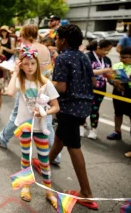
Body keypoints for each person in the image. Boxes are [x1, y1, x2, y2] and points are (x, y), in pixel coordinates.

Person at [0, 24, 61, 165]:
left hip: (28, 86)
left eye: (21, 35)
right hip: (43, 88)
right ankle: (54, 155)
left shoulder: (28, 50)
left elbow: (24, 72)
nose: (20, 38)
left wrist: (16, 70)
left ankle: (3, 138)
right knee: (45, 119)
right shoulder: (45, 48)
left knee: (19, 115)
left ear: (26, 36)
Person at [47, 24, 99, 210]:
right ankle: (46, 163)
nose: (55, 41)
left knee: (74, 146)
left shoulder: (63, 58)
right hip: (84, 106)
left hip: (69, 108)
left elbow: (60, 88)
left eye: (57, 38)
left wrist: (45, 82)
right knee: (60, 137)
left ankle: (86, 192)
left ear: (64, 40)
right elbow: (92, 81)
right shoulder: (83, 57)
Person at [6, 46, 59, 208]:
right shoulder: (20, 80)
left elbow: (56, 107)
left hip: (40, 128)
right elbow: (9, 92)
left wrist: (45, 113)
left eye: (32, 64)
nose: (29, 67)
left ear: (37, 65)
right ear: (21, 65)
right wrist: (15, 72)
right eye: (26, 64)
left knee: (44, 160)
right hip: (24, 127)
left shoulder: (45, 82)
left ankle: (48, 191)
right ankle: (25, 187)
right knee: (25, 158)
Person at [84, 39, 113, 139]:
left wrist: (115, 80)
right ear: (98, 47)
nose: (107, 53)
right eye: (105, 50)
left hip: (101, 89)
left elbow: (108, 76)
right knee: (83, 107)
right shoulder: (87, 56)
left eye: (109, 51)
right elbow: (87, 71)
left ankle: (93, 129)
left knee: (95, 109)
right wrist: (103, 70)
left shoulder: (107, 60)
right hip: (86, 88)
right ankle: (81, 126)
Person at [107, 47, 131, 156]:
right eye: (121, 57)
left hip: (129, 95)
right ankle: (117, 131)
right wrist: (114, 82)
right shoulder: (117, 66)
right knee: (118, 113)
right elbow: (109, 77)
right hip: (118, 93)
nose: (123, 59)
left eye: (126, 57)